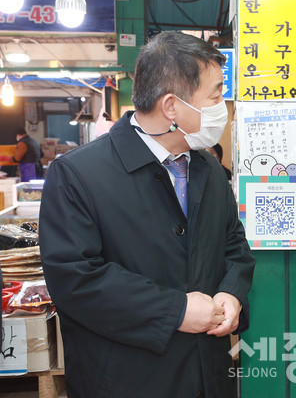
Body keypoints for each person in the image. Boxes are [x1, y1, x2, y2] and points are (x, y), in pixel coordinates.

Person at [39, 31, 255, 398]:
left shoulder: (209, 169)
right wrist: (175, 310)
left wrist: (231, 294)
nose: (224, 106)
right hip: (127, 379)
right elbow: (75, 278)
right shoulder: (78, 175)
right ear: (172, 106)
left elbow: (233, 242)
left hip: (208, 373)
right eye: (217, 94)